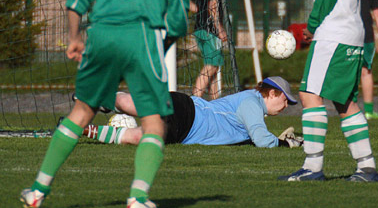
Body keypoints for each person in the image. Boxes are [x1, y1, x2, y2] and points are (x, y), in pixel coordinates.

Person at [21, 0, 190, 208]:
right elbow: (180, 16)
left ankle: (38, 191)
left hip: (101, 34)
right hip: (143, 36)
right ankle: (138, 199)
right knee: (153, 123)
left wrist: (73, 37)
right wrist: (164, 44)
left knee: (81, 113)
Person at [279, 0, 378, 182]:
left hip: (333, 31)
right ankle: (367, 166)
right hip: (355, 31)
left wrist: (311, 24)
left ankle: (312, 166)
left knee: (310, 94)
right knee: (344, 100)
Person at [83, 77, 302, 148]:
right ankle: (88, 123)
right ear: (272, 93)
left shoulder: (249, 100)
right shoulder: (252, 103)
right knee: (142, 134)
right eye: (285, 100)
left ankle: (93, 102)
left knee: (137, 106)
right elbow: (261, 139)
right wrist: (285, 143)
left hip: (185, 109)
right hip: (188, 118)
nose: (285, 107)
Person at [190, 0, 228, 99]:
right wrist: (220, 29)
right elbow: (213, 5)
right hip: (210, 30)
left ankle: (215, 101)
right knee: (211, 66)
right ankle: (195, 100)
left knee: (213, 64)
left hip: (198, 29)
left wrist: (196, 9)